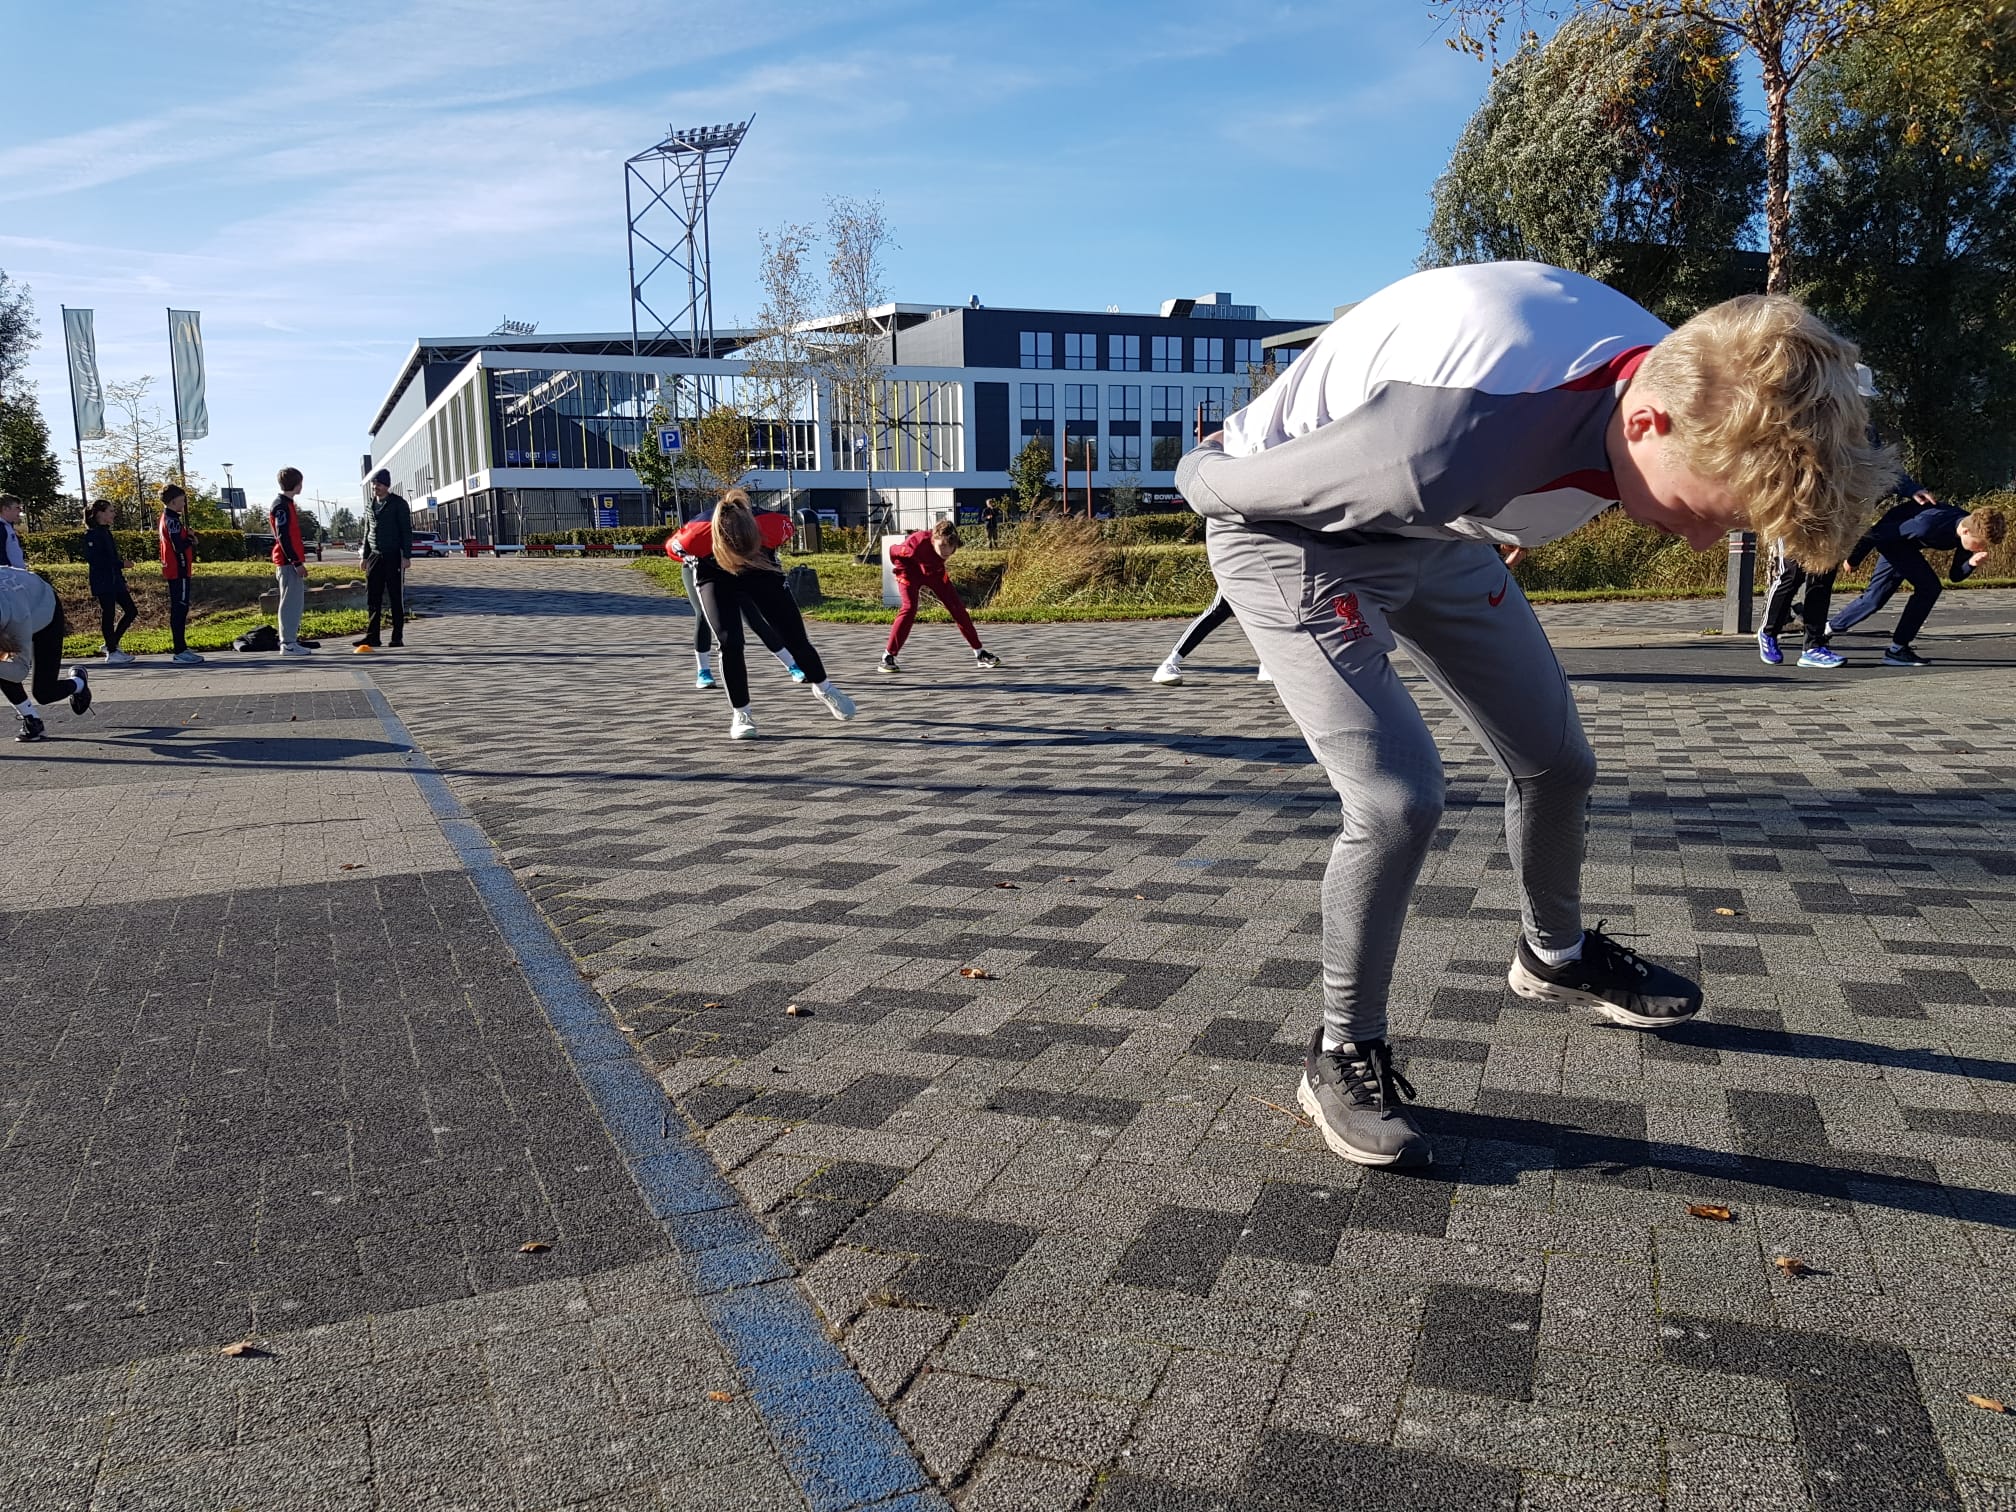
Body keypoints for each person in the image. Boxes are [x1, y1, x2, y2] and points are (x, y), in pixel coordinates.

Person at [1175, 261, 1890, 1170]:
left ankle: (1552, 957)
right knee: (1398, 801)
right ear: (1646, 423)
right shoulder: (1443, 439)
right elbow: (1220, 487)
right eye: (1705, 515)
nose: (1708, 543)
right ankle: (1341, 1050)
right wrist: (1198, 464)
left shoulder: (1691, 380)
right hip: (1293, 530)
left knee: (1559, 762)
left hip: (1438, 534)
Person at [1758, 363, 1927, 671]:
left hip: (1836, 514)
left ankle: (1814, 647)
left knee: (1822, 577)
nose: (1860, 404)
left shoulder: (1865, 432)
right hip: (1798, 510)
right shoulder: (1805, 419)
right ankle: (1769, 633)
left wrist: (1912, 489)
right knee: (1793, 574)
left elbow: (1880, 466)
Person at [669, 492, 857, 739]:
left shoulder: (775, 526)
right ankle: (741, 714)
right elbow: (674, 552)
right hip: (714, 573)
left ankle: (824, 688)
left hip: (761, 569)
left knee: (794, 637)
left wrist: (754, 558)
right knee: (730, 642)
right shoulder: (693, 538)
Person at [1827, 502, 2006, 665]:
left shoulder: (1967, 527)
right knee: (1929, 587)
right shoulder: (1928, 525)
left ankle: (1824, 630)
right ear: (1966, 531)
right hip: (1892, 537)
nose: (1981, 549)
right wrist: (1854, 559)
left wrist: (1971, 564)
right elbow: (1876, 533)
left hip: (1905, 544)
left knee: (1873, 600)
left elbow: (1955, 576)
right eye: (1980, 544)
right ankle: (1898, 649)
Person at [878, 520, 1002, 674]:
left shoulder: (951, 546)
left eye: (950, 548)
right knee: (909, 608)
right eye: (942, 546)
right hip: (909, 572)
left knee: (957, 607)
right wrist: (903, 569)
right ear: (933, 539)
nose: (946, 551)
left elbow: (943, 555)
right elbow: (893, 551)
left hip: (934, 573)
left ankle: (980, 653)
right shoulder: (917, 542)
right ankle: (888, 656)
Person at [683, 550, 805, 690]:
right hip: (699, 569)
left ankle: (792, 665)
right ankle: (703, 671)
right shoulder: (695, 528)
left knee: (754, 617)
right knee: (703, 614)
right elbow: (681, 542)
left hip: (732, 568)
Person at [1, 564, 91, 743]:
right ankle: (32, 722)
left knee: (44, 693)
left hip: (44, 609)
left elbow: (19, 671)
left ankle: (78, 682)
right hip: (19, 597)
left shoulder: (17, 618)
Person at [1151, 590, 1272, 685]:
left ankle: (1269, 665)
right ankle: (1169, 663)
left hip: (1268, 563)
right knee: (1220, 609)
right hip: (1236, 563)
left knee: (1272, 607)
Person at [355, 469, 411, 652]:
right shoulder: (370, 505)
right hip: (374, 556)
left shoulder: (398, 504)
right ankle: (373, 636)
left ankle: (397, 636)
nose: (375, 488)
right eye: (373, 485)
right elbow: (367, 531)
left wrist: (406, 556)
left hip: (393, 554)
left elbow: (406, 531)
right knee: (373, 596)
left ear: (387, 485)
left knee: (395, 596)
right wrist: (365, 556)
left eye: (378, 484)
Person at [82, 500, 137, 664]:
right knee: (109, 614)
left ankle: (111, 643)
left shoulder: (106, 533)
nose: (114, 514)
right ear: (100, 513)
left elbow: (111, 558)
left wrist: (122, 579)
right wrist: (122, 565)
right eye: (111, 511)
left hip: (115, 581)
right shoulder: (92, 535)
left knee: (131, 611)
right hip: (103, 581)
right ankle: (112, 652)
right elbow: (97, 561)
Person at [269, 467, 313, 656]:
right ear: (297, 484)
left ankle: (289, 639)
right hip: (288, 562)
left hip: (288, 561)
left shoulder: (286, 503)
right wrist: (296, 562)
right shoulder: (282, 505)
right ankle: (287, 642)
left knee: (293, 601)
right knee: (290, 602)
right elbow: (283, 535)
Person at [158, 484, 202, 665]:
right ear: (173, 501)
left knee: (180, 609)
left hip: (176, 569)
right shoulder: (172, 520)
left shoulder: (169, 518)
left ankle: (181, 647)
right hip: (179, 569)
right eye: (182, 501)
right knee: (180, 609)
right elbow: (178, 545)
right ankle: (179, 650)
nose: (184, 504)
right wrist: (190, 539)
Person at [0, 494, 24, 569]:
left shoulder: (8, 526)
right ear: (5, 509)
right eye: (17, 507)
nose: (20, 510)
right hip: (7, 577)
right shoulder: (1, 527)